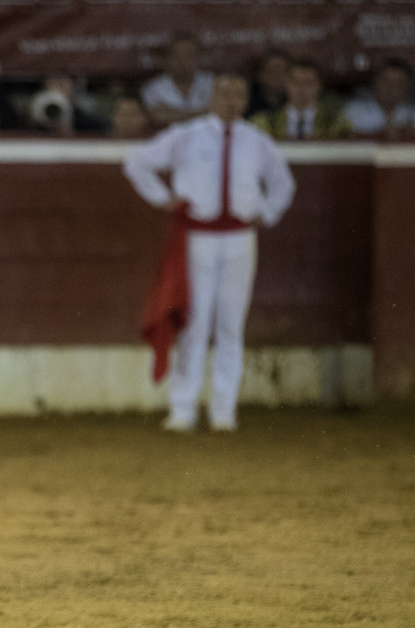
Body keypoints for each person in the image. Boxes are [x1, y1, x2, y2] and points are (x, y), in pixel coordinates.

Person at [124, 74, 295, 432]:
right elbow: (137, 161)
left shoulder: (256, 141)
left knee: (231, 323)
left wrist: (266, 213)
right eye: (225, 94)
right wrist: (163, 199)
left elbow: (283, 184)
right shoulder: (188, 135)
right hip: (197, 238)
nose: (232, 101)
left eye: (239, 95)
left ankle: (224, 410)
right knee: (196, 321)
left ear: (246, 100)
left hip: (240, 237)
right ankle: (183, 408)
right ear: (213, 97)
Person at [251, 58, 350, 141]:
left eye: (309, 83)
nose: (302, 89)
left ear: (319, 86)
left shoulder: (337, 123)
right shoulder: (264, 123)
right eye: (296, 83)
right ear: (286, 84)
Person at [141, 33, 215, 128]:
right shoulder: (153, 88)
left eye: (189, 55)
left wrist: (171, 113)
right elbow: (156, 116)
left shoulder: (213, 83)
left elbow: (219, 113)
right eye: (177, 56)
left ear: (198, 58)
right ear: (168, 59)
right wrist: (201, 113)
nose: (183, 61)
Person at [343, 58, 415, 141]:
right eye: (387, 82)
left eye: (399, 84)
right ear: (375, 82)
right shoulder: (353, 110)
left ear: (407, 88)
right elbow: (344, 139)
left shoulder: (412, 113)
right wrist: (383, 135)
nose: (392, 88)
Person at [26, 73, 106, 136]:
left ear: (73, 88)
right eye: (54, 82)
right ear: (45, 86)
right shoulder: (32, 122)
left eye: (62, 83)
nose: (58, 89)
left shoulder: (92, 126)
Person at [245, 48, 290, 119]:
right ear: (259, 74)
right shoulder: (247, 102)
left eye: (281, 70)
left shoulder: (296, 101)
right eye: (271, 70)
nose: (276, 75)